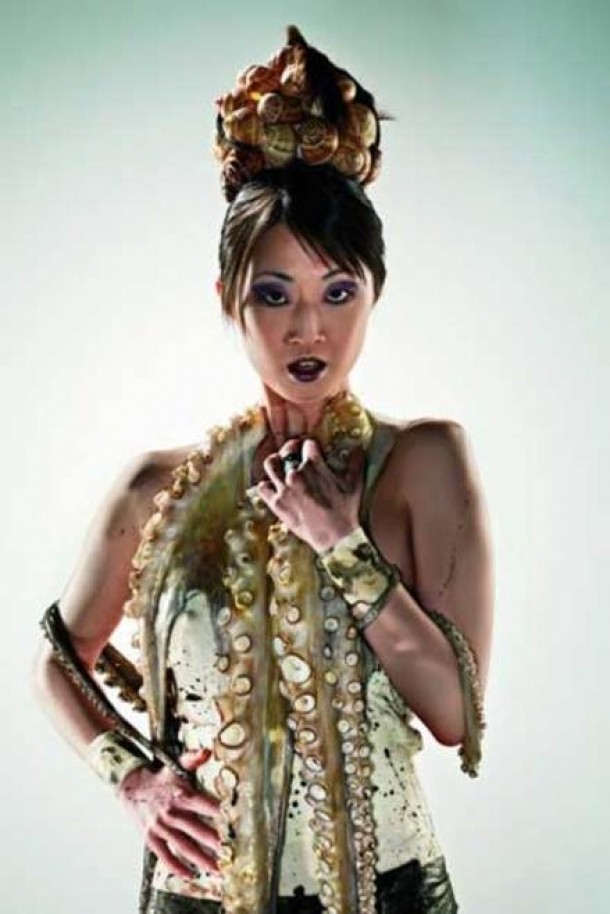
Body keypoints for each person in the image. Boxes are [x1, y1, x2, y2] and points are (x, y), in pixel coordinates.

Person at [32, 24, 494, 914]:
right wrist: (133, 777)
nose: (307, 329)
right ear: (228, 301)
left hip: (389, 892)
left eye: (338, 292)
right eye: (274, 295)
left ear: (376, 292)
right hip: (198, 895)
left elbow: (453, 715)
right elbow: (57, 662)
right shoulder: (157, 490)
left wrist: (341, 542)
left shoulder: (422, 462)